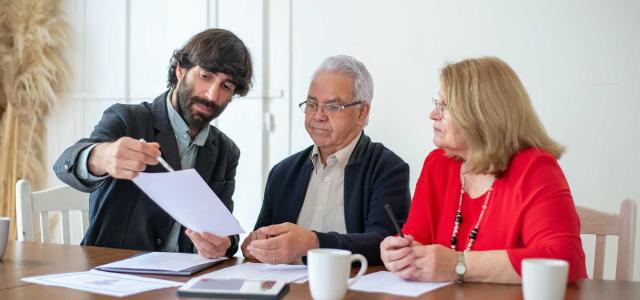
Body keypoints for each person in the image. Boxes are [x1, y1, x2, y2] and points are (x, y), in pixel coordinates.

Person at [380, 57, 587, 284]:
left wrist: (457, 264)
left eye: (445, 106)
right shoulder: (438, 164)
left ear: (481, 115)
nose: (433, 114)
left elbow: (564, 259)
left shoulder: (535, 168)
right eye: (436, 103)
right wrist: (401, 254)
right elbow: (417, 239)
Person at [53, 28, 253, 258]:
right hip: (115, 276)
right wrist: (101, 156)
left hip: (187, 281)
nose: (211, 95)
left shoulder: (226, 151)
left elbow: (223, 227)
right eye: (205, 76)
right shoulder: (127, 119)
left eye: (226, 86)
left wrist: (224, 243)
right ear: (181, 70)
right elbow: (64, 165)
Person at [241, 55, 410, 265]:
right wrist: (254, 244)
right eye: (312, 104)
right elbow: (261, 237)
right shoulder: (283, 172)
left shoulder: (387, 168)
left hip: (352, 288)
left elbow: (385, 243)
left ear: (362, 112)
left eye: (332, 106)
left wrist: (313, 242)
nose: (317, 116)